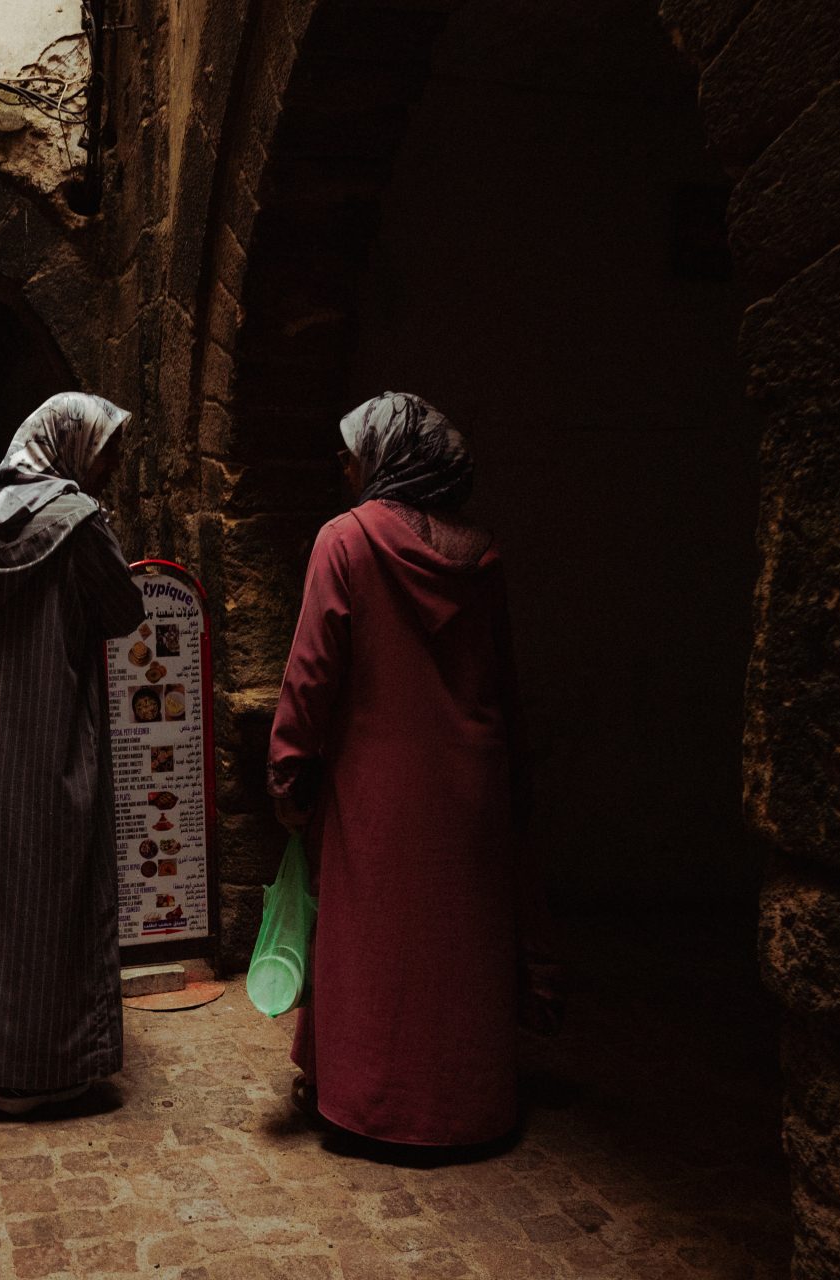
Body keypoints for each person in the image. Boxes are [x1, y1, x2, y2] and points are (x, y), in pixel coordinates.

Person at [266, 391, 545, 1151]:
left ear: (389, 457)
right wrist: (514, 780)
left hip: (375, 786)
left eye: (354, 450)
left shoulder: (346, 541)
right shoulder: (482, 554)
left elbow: (310, 674)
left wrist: (289, 771)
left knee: (374, 946)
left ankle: (372, 1103)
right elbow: (503, 680)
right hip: (470, 784)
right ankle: (462, 1105)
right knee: (458, 948)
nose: (343, 463)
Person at [0, 392, 144, 1115]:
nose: (111, 467)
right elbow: (124, 610)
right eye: (106, 451)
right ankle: (36, 1070)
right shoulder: (80, 525)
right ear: (69, 444)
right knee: (53, 894)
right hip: (50, 740)